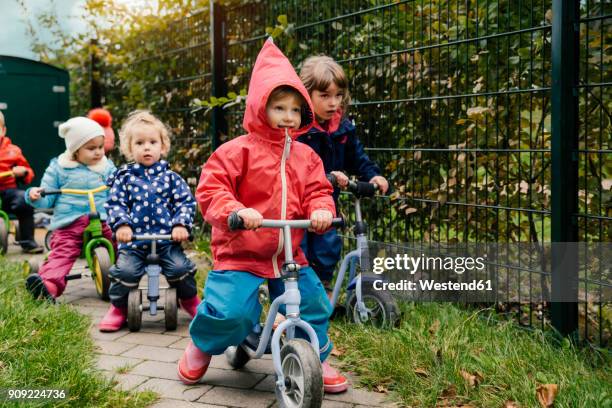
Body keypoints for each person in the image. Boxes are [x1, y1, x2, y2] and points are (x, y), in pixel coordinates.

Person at [177, 39, 349, 394]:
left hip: (289, 253)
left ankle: (315, 354)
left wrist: (321, 210)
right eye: (279, 107)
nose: (288, 116)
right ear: (260, 108)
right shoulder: (235, 152)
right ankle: (203, 344)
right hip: (240, 253)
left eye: (295, 110)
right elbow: (212, 191)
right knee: (229, 312)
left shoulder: (306, 157)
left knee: (313, 301)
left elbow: (319, 190)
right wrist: (236, 212)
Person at [98, 110, 200, 332]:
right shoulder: (124, 179)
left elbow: (185, 202)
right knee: (124, 272)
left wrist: (180, 225)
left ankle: (190, 301)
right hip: (134, 243)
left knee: (181, 269)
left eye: (152, 142)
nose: (147, 147)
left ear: (162, 147)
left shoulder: (172, 178)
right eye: (140, 143)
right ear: (129, 149)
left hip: (166, 241)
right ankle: (119, 308)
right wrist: (122, 225)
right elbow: (116, 204)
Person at [297, 55, 389, 292]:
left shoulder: (342, 129)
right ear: (307, 94)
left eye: (338, 96)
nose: (333, 103)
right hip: (297, 204)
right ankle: (293, 296)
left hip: (326, 204)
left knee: (327, 247)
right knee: (298, 250)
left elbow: (356, 157)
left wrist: (372, 176)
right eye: (325, 96)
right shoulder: (298, 129)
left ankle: (322, 290)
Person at [25, 117, 115, 300]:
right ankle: (48, 286)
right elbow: (46, 198)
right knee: (62, 252)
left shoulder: (107, 167)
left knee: (122, 243)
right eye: (91, 148)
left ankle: (126, 281)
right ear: (75, 150)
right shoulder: (59, 167)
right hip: (69, 222)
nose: (98, 152)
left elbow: (119, 191)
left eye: (100, 146)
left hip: (104, 219)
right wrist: (35, 195)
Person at [0, 110, 44, 253]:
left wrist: (23, 172)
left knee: (24, 201)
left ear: (3, 130)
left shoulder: (13, 151)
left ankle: (28, 241)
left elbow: (29, 173)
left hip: (8, 192)